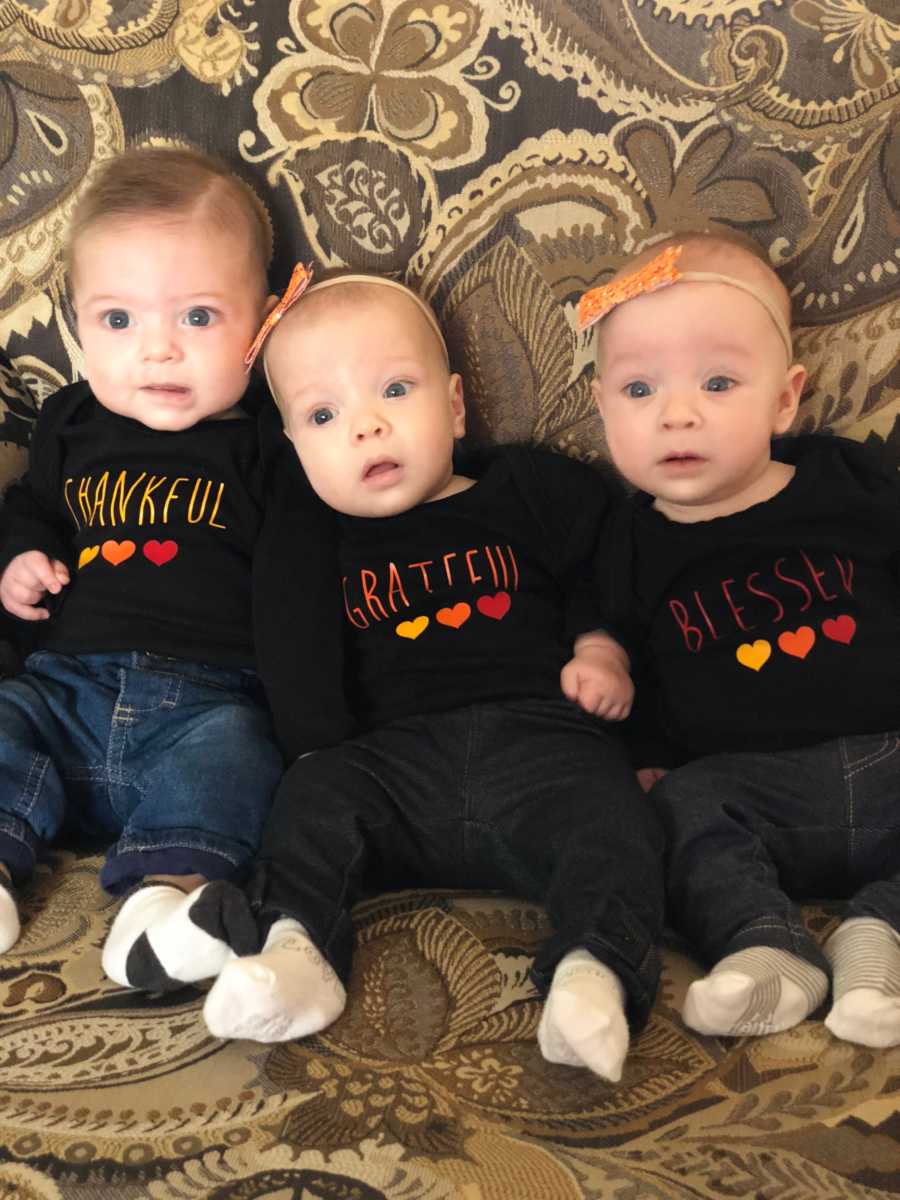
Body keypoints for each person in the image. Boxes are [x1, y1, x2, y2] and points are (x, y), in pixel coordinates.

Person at [202, 273, 665, 1083]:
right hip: (394, 766)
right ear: (294, 449)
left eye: (394, 389)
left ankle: (595, 973)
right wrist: (317, 750)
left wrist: (601, 644)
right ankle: (295, 954)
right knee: (312, 799)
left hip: (542, 741)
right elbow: (291, 644)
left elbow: (613, 559)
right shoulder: (314, 541)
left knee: (614, 816)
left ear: (454, 407)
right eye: (322, 415)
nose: (366, 425)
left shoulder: (525, 492)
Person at [583, 230, 900, 1047]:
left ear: (785, 400)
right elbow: (620, 645)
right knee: (676, 810)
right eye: (640, 388)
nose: (677, 412)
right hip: (751, 791)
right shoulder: (624, 541)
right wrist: (603, 667)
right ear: (603, 407)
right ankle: (766, 945)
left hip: (888, 752)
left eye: (718, 382)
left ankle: (879, 940)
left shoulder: (845, 481)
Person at [0, 146, 285, 991]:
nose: (157, 351)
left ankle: (163, 903)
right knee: (4, 720)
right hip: (64, 690)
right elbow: (35, 509)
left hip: (204, 703)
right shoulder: (71, 421)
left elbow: (299, 576)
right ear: (77, 323)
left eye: (198, 318)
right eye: (118, 322)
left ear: (262, 322)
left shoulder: (268, 442)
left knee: (241, 755)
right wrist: (18, 557)